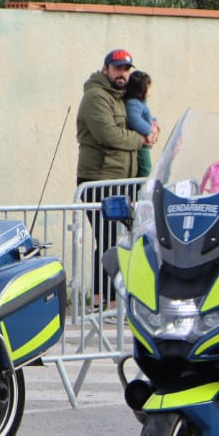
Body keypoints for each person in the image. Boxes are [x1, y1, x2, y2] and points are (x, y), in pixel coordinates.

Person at [76, 48, 156, 302]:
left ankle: (111, 300)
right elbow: (107, 135)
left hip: (122, 181)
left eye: (126, 69)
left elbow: (139, 120)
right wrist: (141, 139)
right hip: (100, 180)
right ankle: (103, 300)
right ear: (106, 69)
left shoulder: (123, 98)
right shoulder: (96, 96)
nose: (123, 74)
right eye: (118, 68)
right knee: (108, 239)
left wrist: (153, 128)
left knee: (120, 240)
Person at [123, 70, 158, 178]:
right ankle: (140, 185)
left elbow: (145, 116)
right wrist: (149, 130)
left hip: (143, 143)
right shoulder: (133, 103)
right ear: (141, 89)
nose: (150, 90)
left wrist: (154, 122)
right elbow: (135, 120)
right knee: (145, 167)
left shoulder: (140, 103)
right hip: (140, 145)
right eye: (148, 86)